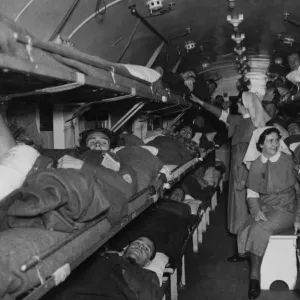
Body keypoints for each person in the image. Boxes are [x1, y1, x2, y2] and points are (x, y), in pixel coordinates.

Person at [190, 92, 270, 261]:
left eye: (240, 102)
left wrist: (245, 178)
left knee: (247, 210)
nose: (237, 105)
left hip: (246, 175)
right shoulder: (240, 121)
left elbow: (256, 157)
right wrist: (200, 101)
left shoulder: (255, 126)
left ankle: (248, 251)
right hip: (237, 172)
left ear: (247, 105)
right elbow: (220, 114)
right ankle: (243, 250)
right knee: (239, 210)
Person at [238, 127, 300, 299]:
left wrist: (298, 217)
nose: (275, 144)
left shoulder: (289, 161)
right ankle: (256, 265)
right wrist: (256, 210)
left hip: (287, 209)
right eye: (270, 141)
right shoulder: (256, 165)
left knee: (259, 229)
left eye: (276, 140)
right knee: (248, 227)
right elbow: (252, 193)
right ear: (260, 144)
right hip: (266, 207)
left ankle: (254, 277)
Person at [56, 236, 161, 300]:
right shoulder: (104, 256)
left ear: (148, 263)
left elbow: (149, 297)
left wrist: (120, 267)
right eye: (137, 243)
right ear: (126, 248)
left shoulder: (149, 276)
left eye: (146, 249)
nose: (140, 246)